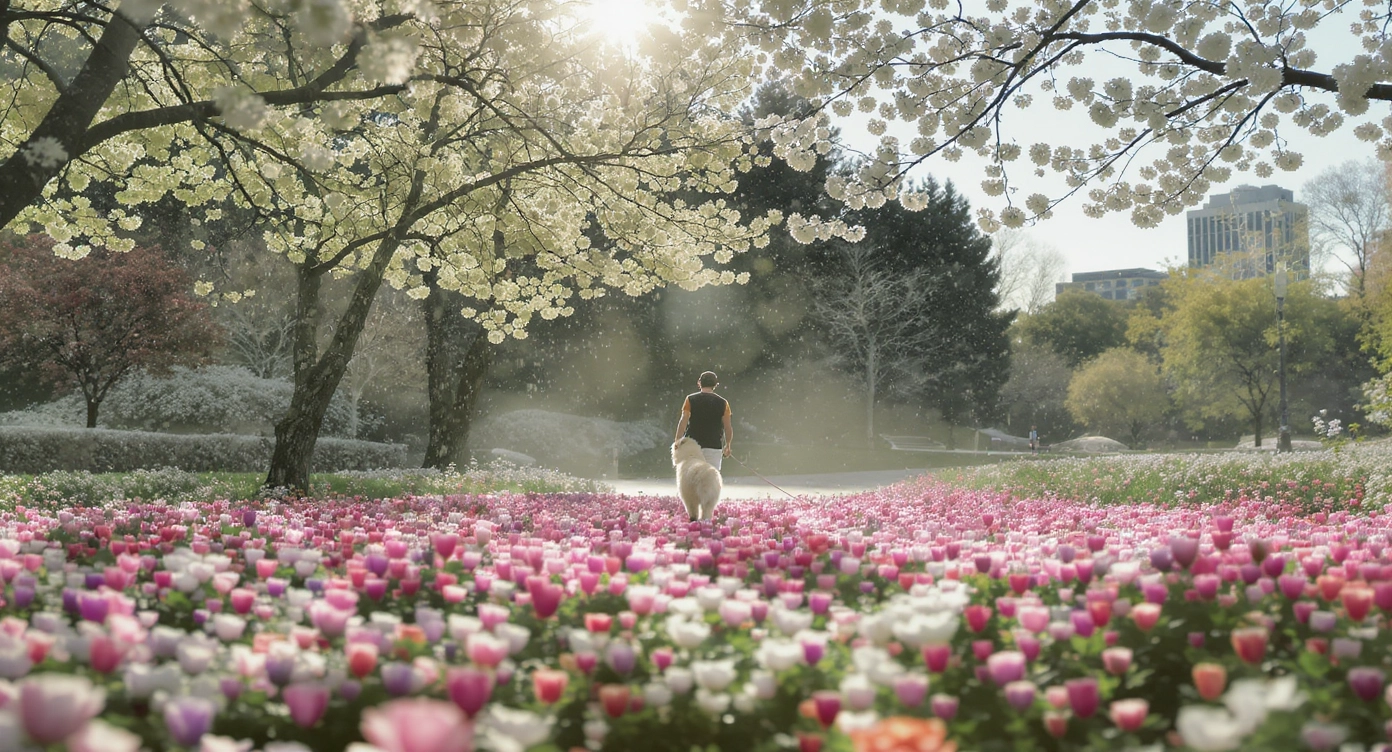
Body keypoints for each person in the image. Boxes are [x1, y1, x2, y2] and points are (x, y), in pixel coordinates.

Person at [674, 371, 732, 471]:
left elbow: (683, 421)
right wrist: (728, 445)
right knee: (710, 481)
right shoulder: (723, 403)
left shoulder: (690, 399)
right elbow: (728, 427)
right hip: (713, 446)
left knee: (692, 479)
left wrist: (677, 441)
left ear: (699, 383)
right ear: (715, 385)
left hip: (693, 446)